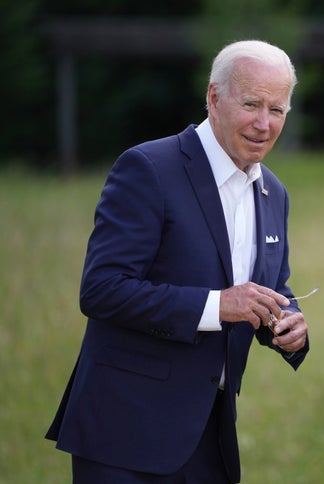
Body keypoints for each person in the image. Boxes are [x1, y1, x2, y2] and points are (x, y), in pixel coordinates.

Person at [46, 40, 310, 483]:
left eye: (277, 110)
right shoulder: (148, 167)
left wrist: (290, 323)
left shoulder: (274, 192)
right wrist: (216, 306)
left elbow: (272, 287)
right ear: (213, 97)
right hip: (126, 433)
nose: (264, 124)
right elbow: (102, 289)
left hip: (211, 435)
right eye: (251, 104)